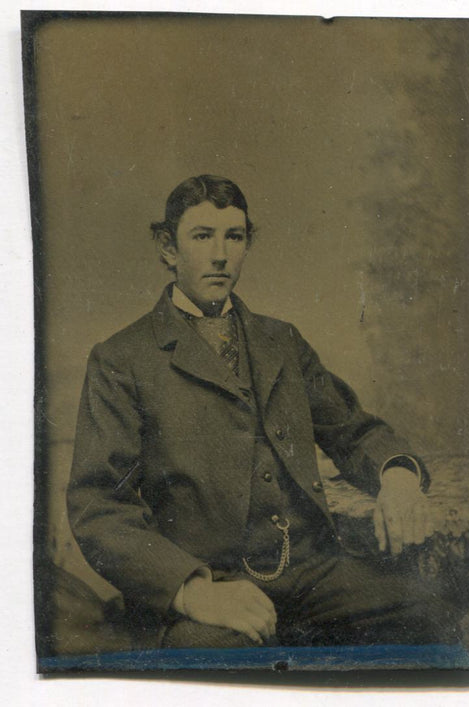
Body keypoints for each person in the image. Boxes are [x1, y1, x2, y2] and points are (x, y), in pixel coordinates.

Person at [67, 174, 449, 650]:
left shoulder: (281, 341)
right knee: (220, 656)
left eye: (235, 236)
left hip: (312, 573)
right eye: (202, 236)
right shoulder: (122, 359)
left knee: (432, 614)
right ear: (168, 248)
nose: (220, 254)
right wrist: (191, 592)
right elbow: (99, 509)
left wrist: (398, 478)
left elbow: (354, 431)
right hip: (210, 583)